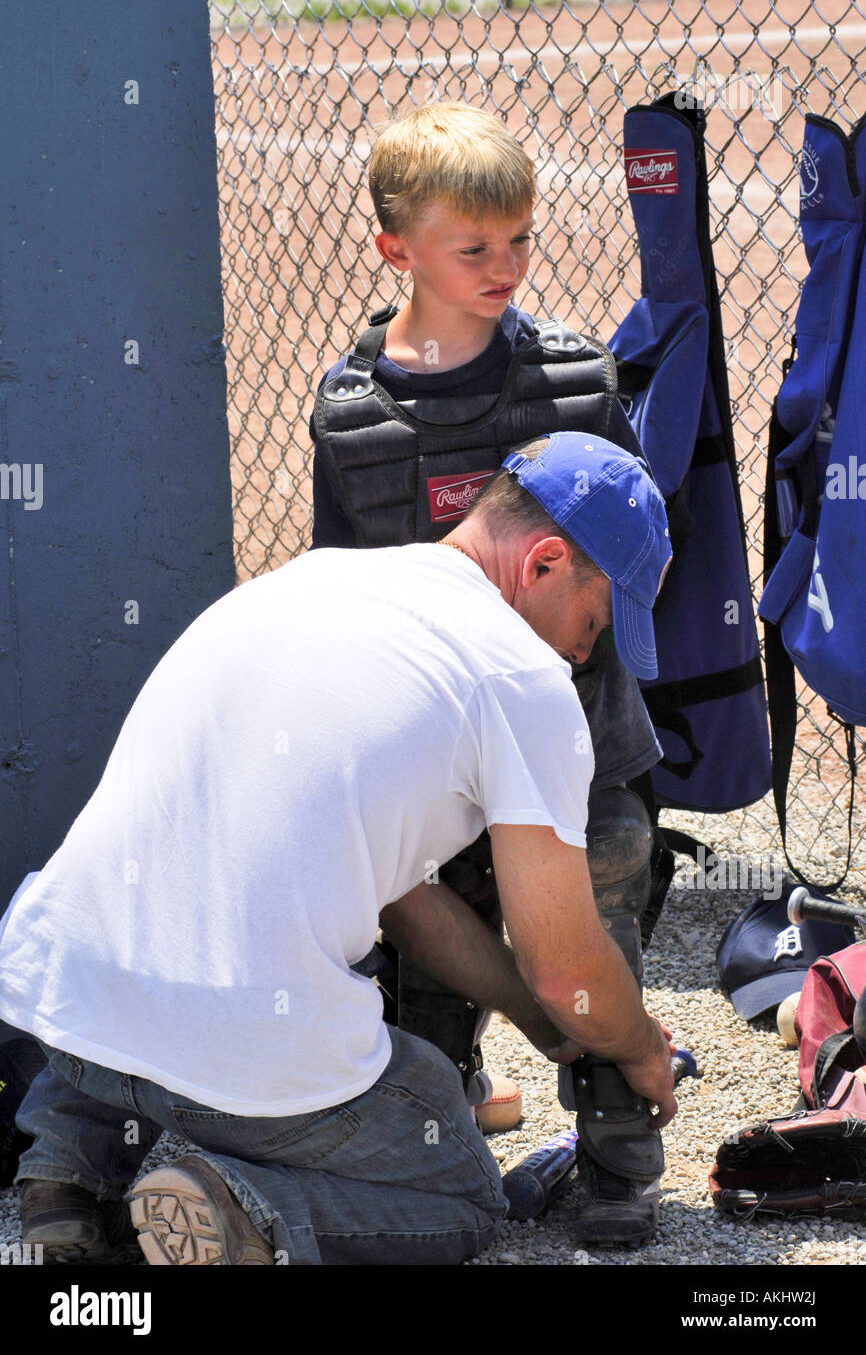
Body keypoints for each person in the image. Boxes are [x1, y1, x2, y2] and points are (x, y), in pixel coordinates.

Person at [0, 431, 676, 1266]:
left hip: (65, 1015)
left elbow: (410, 904)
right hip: (227, 1053)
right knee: (461, 1190)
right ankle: (244, 1212)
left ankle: (67, 1174)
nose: (584, 653)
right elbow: (568, 969)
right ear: (541, 563)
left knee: (152, 980)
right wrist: (640, 1045)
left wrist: (543, 1025)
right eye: (595, 621)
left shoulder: (313, 579)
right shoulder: (520, 680)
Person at [309, 102, 674, 1239]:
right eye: (474, 248)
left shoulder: (573, 379)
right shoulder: (355, 416)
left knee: (597, 915)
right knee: (425, 959)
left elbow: (616, 559)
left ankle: (617, 1163)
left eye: (519, 239)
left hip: (576, 732)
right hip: (430, 755)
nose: (505, 266)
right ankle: (435, 1141)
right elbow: (345, 595)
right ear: (395, 250)